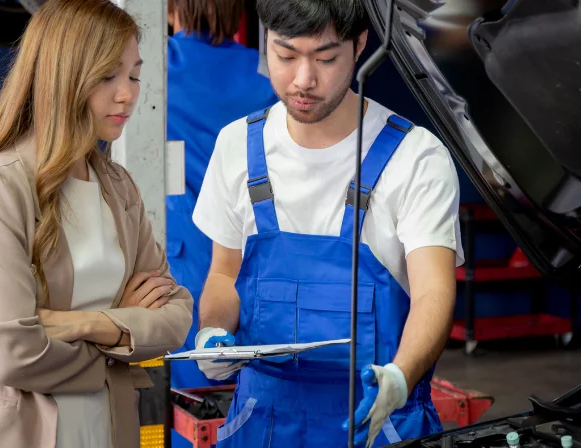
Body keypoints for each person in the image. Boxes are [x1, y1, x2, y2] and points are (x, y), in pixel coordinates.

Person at [190, 0, 464, 446]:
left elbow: (434, 292)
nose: (303, 80)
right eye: (285, 55)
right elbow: (224, 272)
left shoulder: (416, 158)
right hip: (261, 426)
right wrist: (212, 330)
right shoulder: (235, 144)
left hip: (376, 423)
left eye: (325, 58)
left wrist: (400, 376)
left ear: (360, 45)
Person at [0, 1, 193, 447]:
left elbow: (175, 316)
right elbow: (11, 354)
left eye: (134, 74)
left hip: (104, 428)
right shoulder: (1, 185)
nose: (127, 93)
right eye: (108, 76)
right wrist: (120, 334)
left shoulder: (118, 186)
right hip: (15, 434)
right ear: (61, 75)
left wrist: (84, 324)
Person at [165, 0, 277, 389]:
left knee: (183, 408)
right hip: (252, 264)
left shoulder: (154, 66)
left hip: (177, 269)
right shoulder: (269, 73)